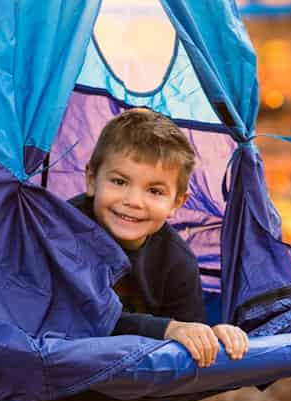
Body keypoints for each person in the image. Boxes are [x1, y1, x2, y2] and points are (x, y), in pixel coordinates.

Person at [74, 106, 249, 368]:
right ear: (91, 180)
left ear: (176, 203)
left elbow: (190, 329)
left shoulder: (176, 258)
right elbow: (76, 322)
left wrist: (214, 336)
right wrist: (166, 330)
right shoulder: (64, 233)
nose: (133, 201)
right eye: (119, 182)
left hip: (126, 384)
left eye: (154, 191)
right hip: (63, 368)